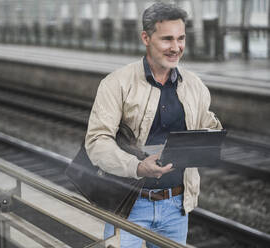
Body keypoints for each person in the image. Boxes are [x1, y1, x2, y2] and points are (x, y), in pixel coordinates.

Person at [85, 2, 222, 248]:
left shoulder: (195, 85)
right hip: (128, 205)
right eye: (167, 39)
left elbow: (207, 126)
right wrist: (137, 167)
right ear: (146, 38)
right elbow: (97, 143)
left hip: (176, 207)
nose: (176, 47)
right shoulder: (116, 83)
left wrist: (212, 134)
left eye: (181, 38)